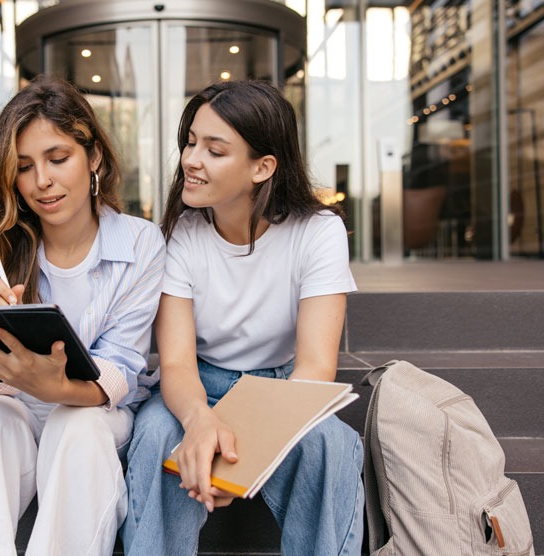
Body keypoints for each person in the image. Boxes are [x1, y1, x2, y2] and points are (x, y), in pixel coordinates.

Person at [0, 75, 165, 556]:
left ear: (93, 158)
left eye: (57, 158)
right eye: (24, 167)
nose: (42, 181)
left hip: (93, 413)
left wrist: (57, 387)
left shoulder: (140, 242)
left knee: (79, 426)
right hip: (13, 416)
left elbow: (122, 369)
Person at [121, 80, 364, 556]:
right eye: (191, 142)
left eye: (214, 150)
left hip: (283, 389)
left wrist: (240, 460)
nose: (191, 159)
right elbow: (175, 364)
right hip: (199, 383)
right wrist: (199, 422)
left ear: (262, 167)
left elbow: (315, 369)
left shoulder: (319, 233)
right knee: (154, 433)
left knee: (330, 445)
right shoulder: (181, 235)